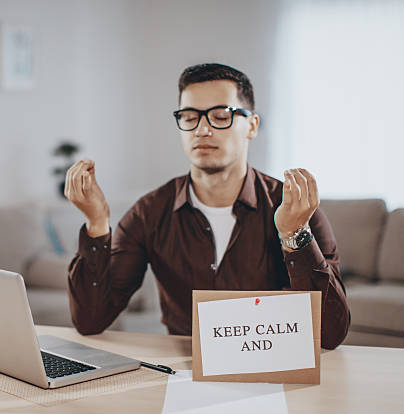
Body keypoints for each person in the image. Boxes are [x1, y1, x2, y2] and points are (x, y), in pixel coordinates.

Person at [64, 63, 349, 349]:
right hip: (184, 373)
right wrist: (96, 224)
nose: (201, 129)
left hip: (273, 369)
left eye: (220, 116)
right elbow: (91, 320)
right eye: (189, 117)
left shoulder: (293, 208)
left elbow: (330, 334)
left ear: (251, 125)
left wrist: (293, 234)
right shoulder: (149, 212)